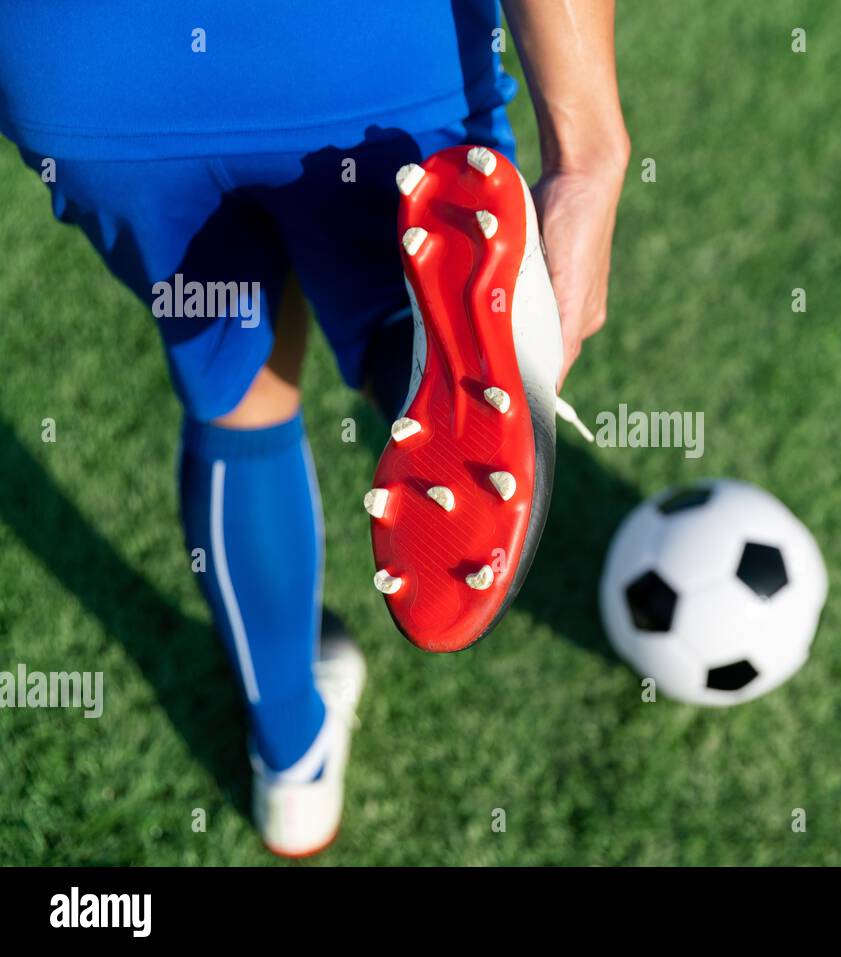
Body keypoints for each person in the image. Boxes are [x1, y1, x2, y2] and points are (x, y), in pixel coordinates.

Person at [0, 0, 630, 856]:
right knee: (410, 272)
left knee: (239, 392)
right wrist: (591, 156)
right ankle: (423, 344)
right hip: (365, 55)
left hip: (90, 75)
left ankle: (290, 758)